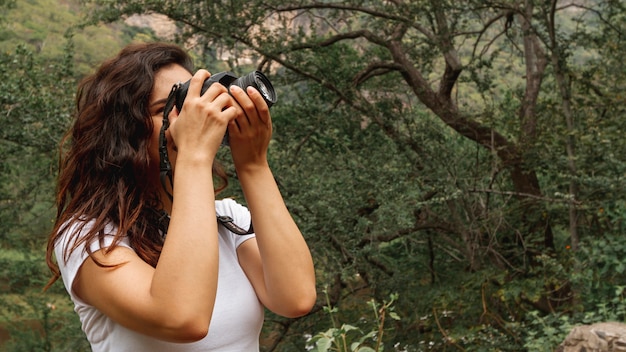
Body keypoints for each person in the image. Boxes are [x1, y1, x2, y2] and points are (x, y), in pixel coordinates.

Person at [45, 42, 317, 351]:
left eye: (192, 103)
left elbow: (296, 297)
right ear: (124, 132)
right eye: (166, 109)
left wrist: (253, 165)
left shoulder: (227, 220)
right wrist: (195, 157)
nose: (189, 118)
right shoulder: (88, 236)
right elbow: (182, 317)